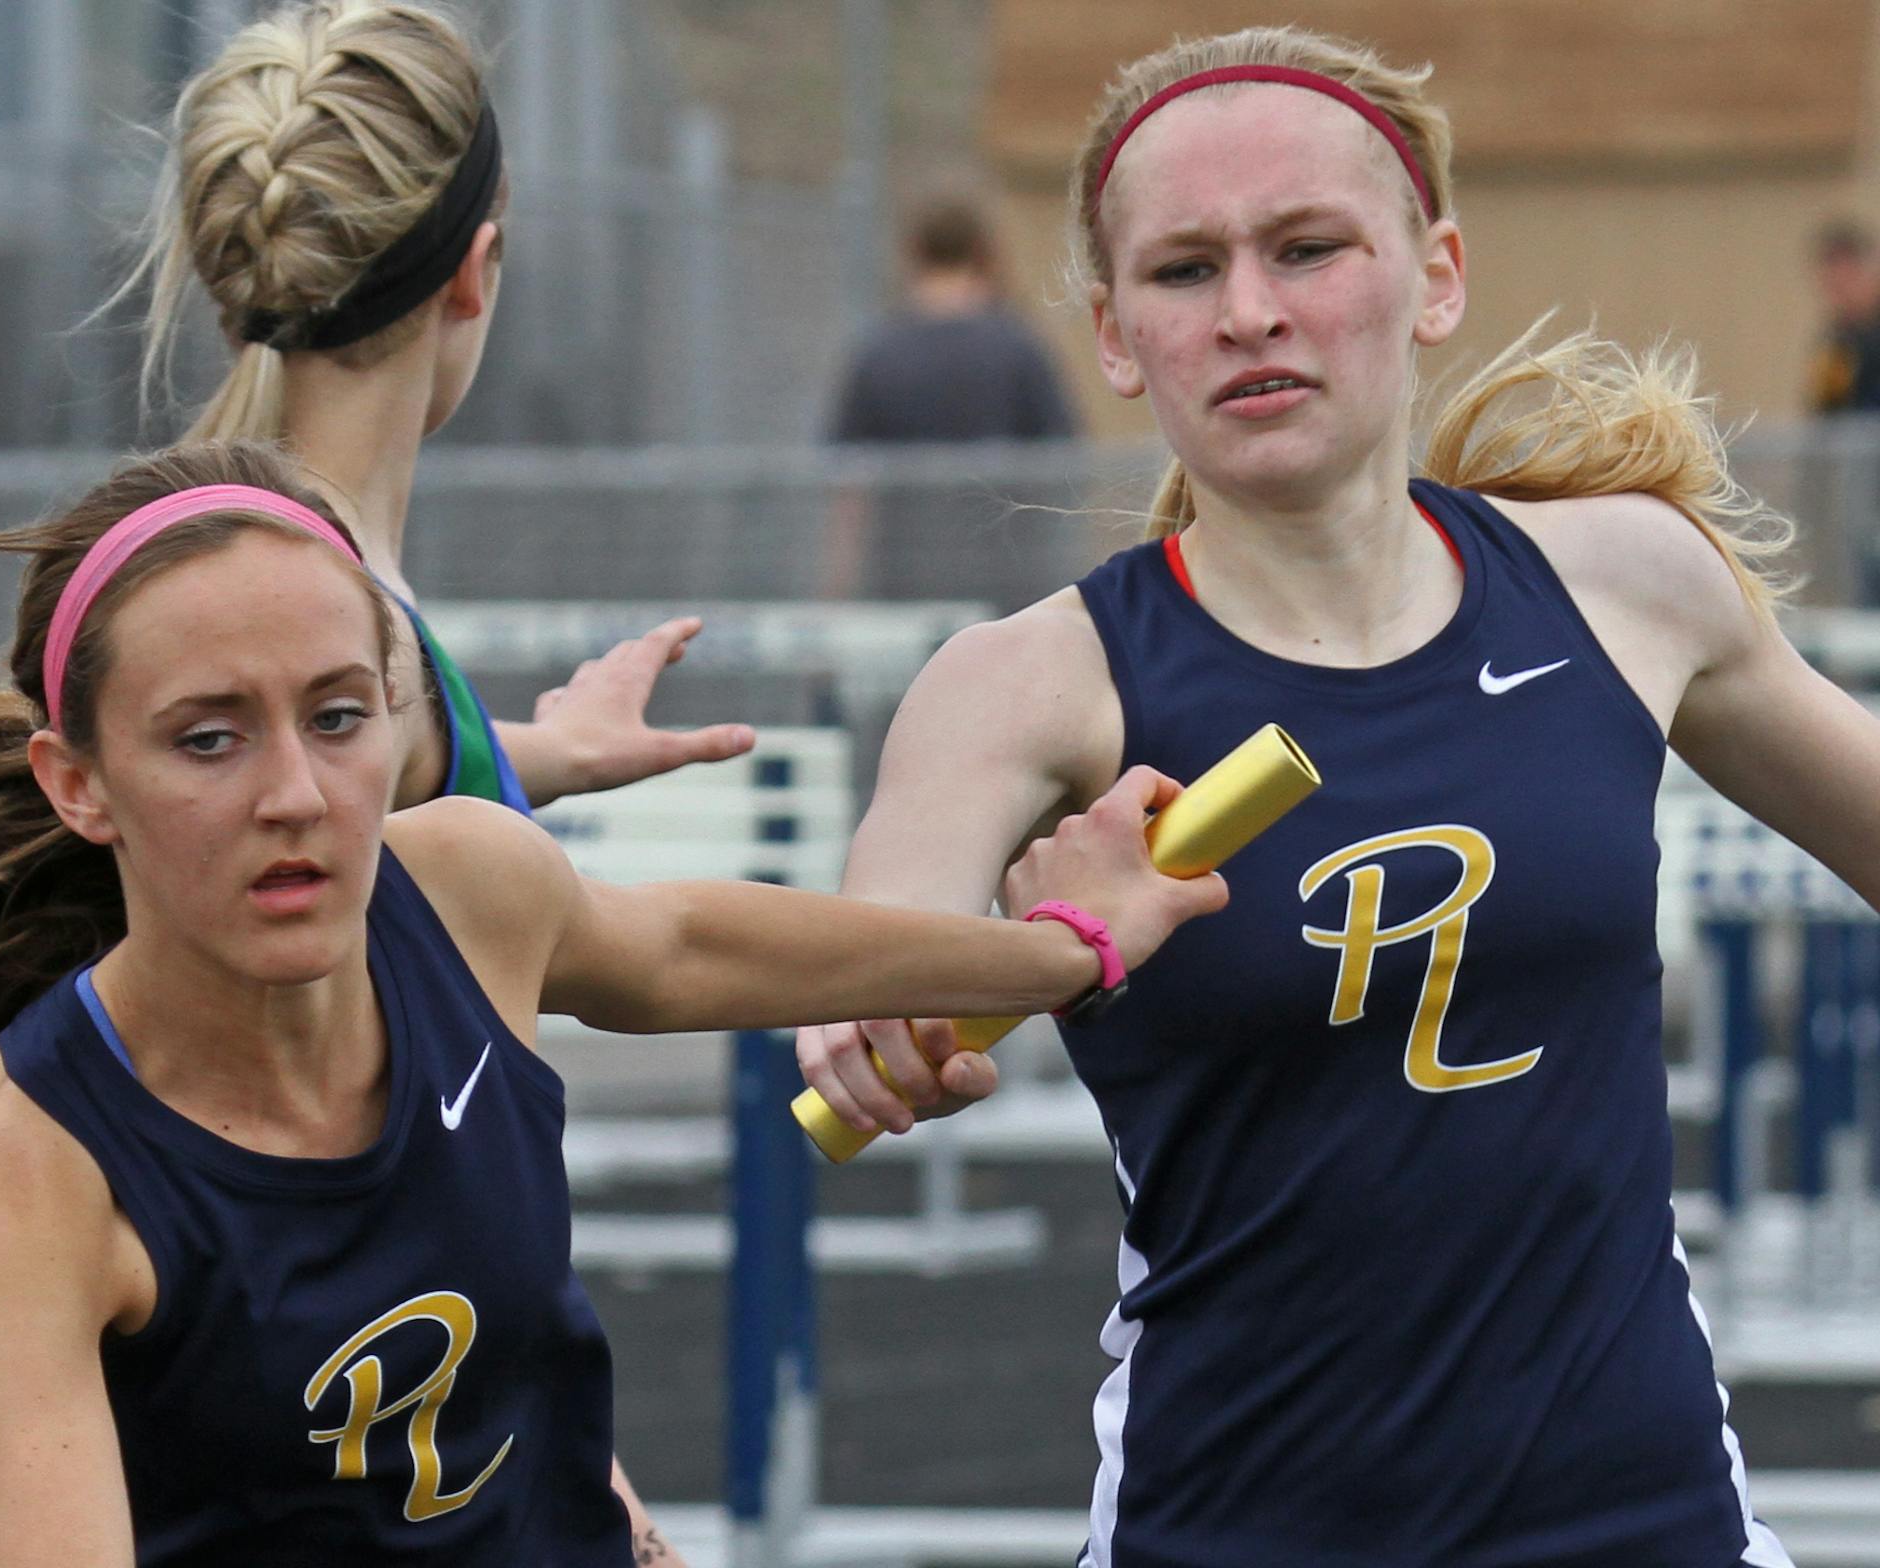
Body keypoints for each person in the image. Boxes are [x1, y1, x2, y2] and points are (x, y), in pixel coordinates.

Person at [0, 441, 1226, 1568]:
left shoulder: (460, 896)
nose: (297, 796)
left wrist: (1060, 953)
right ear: (78, 785)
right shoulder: (41, 1174)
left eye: (336, 716)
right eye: (206, 740)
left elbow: (688, 947)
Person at [797, 26, 1880, 1568]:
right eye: (1183, 272)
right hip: (1235, 1529)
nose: (1251, 312)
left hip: (1646, 1529)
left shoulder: (1627, 584)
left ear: (1434, 273)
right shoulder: (1033, 685)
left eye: (1308, 249)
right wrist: (982, 974)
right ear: (1113, 333)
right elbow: (855, 994)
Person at [128, 0, 750, 814]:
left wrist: (546, 753)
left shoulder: (272, 589)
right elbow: (625, 938)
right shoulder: (337, 628)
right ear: (473, 272)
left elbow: (406, 747)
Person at [828, 192, 1081, 445]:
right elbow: (1061, 451)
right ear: (983, 251)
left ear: (915, 250)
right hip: (997, 486)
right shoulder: (1018, 344)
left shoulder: (878, 353)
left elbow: (843, 466)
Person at [1806, 219, 1880, 415]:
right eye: (1832, 282)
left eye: (1849, 278)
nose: (1841, 290)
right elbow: (1826, 412)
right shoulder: (1836, 343)